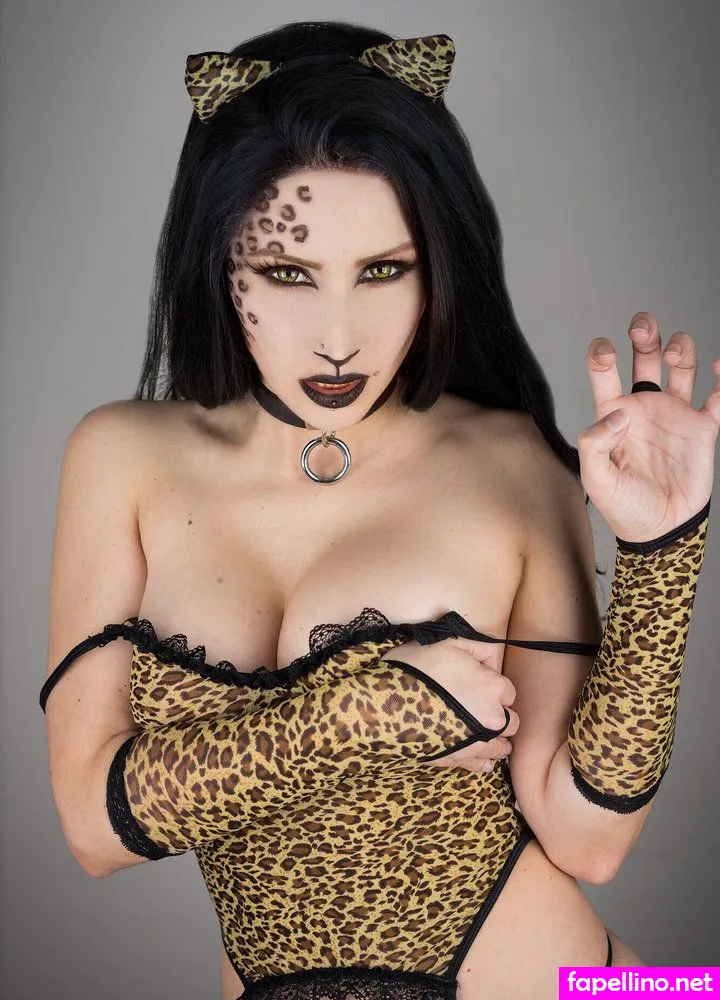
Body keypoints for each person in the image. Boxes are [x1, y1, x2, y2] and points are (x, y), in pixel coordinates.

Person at [40, 20, 719, 1000]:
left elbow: (590, 839)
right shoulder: (120, 458)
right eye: (288, 275)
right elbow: (92, 827)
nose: (339, 338)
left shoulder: (510, 464)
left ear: (435, 265)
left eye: (383, 271)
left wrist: (663, 552)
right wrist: (359, 714)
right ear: (218, 262)